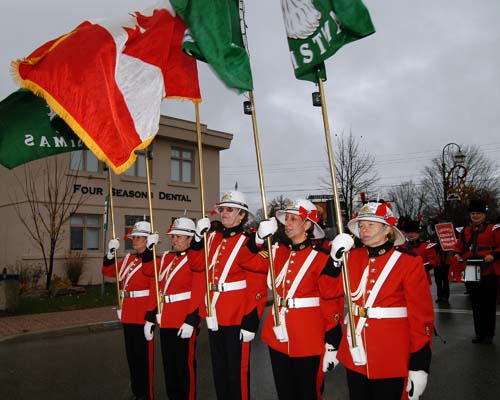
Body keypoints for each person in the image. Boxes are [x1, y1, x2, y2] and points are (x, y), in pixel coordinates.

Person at [241, 198, 344, 400]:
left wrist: (332, 341)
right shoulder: (278, 252)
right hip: (278, 334)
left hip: (308, 336)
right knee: (285, 392)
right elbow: (245, 260)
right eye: (286, 219)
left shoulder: (323, 257)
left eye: (293, 219)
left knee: (307, 393)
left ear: (307, 225)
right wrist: (259, 238)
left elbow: (331, 300)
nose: (287, 223)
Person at [332, 201, 434, 400]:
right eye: (361, 225)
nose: (364, 229)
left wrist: (419, 365)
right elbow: (328, 290)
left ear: (387, 229)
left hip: (392, 354)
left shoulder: (408, 262)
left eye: (371, 224)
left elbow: (421, 317)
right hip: (356, 350)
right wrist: (334, 262)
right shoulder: (352, 257)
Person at [188, 190, 266, 400]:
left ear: (242, 215)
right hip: (214, 314)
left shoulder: (251, 241)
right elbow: (196, 265)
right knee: (219, 371)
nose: (223, 213)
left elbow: (257, 285)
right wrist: (196, 238)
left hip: (237, 315)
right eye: (222, 209)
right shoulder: (212, 238)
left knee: (237, 373)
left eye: (229, 209)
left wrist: (251, 318)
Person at [146, 217, 204, 400]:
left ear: (189, 239)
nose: (174, 241)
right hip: (166, 318)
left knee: (184, 367)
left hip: (183, 319)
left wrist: (192, 320)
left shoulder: (195, 259)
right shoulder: (167, 258)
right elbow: (152, 278)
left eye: (179, 237)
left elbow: (199, 290)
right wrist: (149, 250)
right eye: (173, 237)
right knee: (169, 366)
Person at [102, 220, 158, 400]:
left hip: (142, 314)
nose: (133, 240)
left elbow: (154, 291)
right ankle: (137, 392)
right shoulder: (128, 259)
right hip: (128, 314)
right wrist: (110, 255)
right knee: (132, 359)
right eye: (133, 237)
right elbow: (109, 272)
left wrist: (151, 316)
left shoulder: (154, 261)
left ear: (148, 240)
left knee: (144, 359)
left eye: (138, 237)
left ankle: (146, 394)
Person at [453, 199, 500, 344]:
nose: (475, 216)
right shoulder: (465, 231)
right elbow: (459, 247)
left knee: (488, 303)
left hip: (488, 269)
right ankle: (479, 333)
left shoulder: (494, 229)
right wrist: (457, 254)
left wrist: (493, 255)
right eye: (473, 213)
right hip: (471, 268)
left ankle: (488, 334)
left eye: (478, 213)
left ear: (484, 214)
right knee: (476, 302)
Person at [399, 220, 441, 297]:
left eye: (413, 232)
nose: (411, 234)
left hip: (422, 279)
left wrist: (423, 267)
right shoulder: (402, 247)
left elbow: (434, 260)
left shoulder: (426, 246)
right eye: (409, 232)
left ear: (418, 233)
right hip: (405, 280)